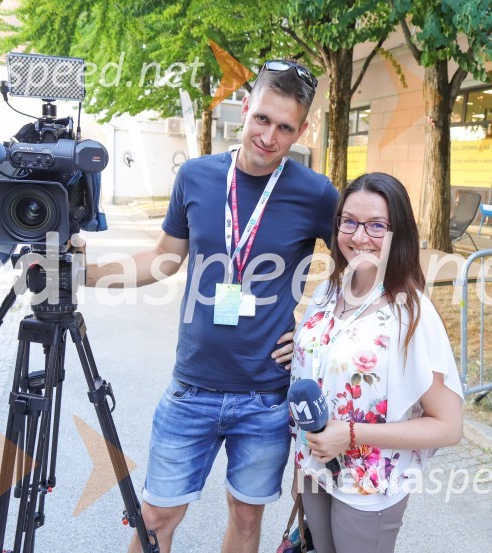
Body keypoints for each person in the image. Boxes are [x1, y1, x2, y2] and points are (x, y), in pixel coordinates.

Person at [86, 60, 339, 553]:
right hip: (192, 389)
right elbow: (163, 258)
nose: (269, 136)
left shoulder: (316, 193)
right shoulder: (197, 176)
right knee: (156, 516)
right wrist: (86, 274)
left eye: (285, 127)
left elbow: (357, 268)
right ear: (244, 109)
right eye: (262, 119)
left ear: (302, 130)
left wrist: (313, 330)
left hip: (265, 397)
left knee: (247, 519)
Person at [289, 173, 464, 553]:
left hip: (367, 486)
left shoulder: (412, 315)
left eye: (376, 225)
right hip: (314, 472)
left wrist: (351, 435)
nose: (359, 236)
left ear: (398, 232)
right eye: (348, 221)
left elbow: (448, 427)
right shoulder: (327, 290)